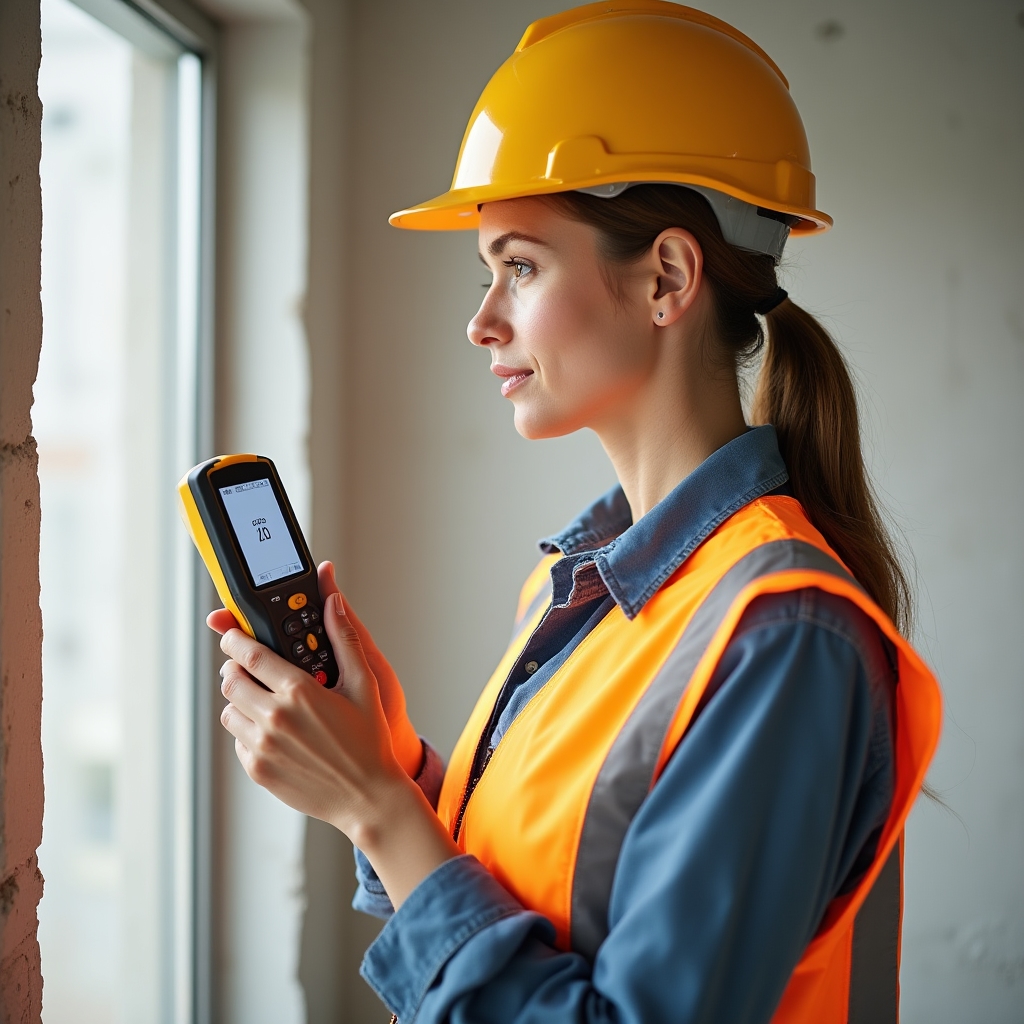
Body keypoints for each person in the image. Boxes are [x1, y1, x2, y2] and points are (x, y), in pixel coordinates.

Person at [209, 3, 942, 1021]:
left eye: (520, 265)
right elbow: (547, 893)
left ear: (666, 279)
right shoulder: (586, 582)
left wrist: (379, 812)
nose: (480, 321)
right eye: (488, 272)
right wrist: (391, 769)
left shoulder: (780, 636)